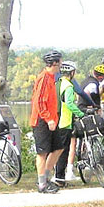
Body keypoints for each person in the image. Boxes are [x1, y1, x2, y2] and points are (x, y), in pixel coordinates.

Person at [30, 50, 64, 193]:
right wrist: (48, 118)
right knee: (42, 152)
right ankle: (42, 184)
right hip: (42, 120)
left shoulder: (52, 78)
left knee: (58, 148)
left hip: (52, 119)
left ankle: (46, 177)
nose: (61, 64)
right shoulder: (44, 78)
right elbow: (39, 101)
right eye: (60, 62)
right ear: (54, 63)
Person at [54, 61, 85, 187]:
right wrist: (81, 114)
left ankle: (55, 175)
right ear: (71, 73)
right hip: (65, 122)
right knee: (63, 151)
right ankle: (60, 179)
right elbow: (70, 103)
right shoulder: (68, 86)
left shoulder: (58, 83)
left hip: (55, 121)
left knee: (56, 150)